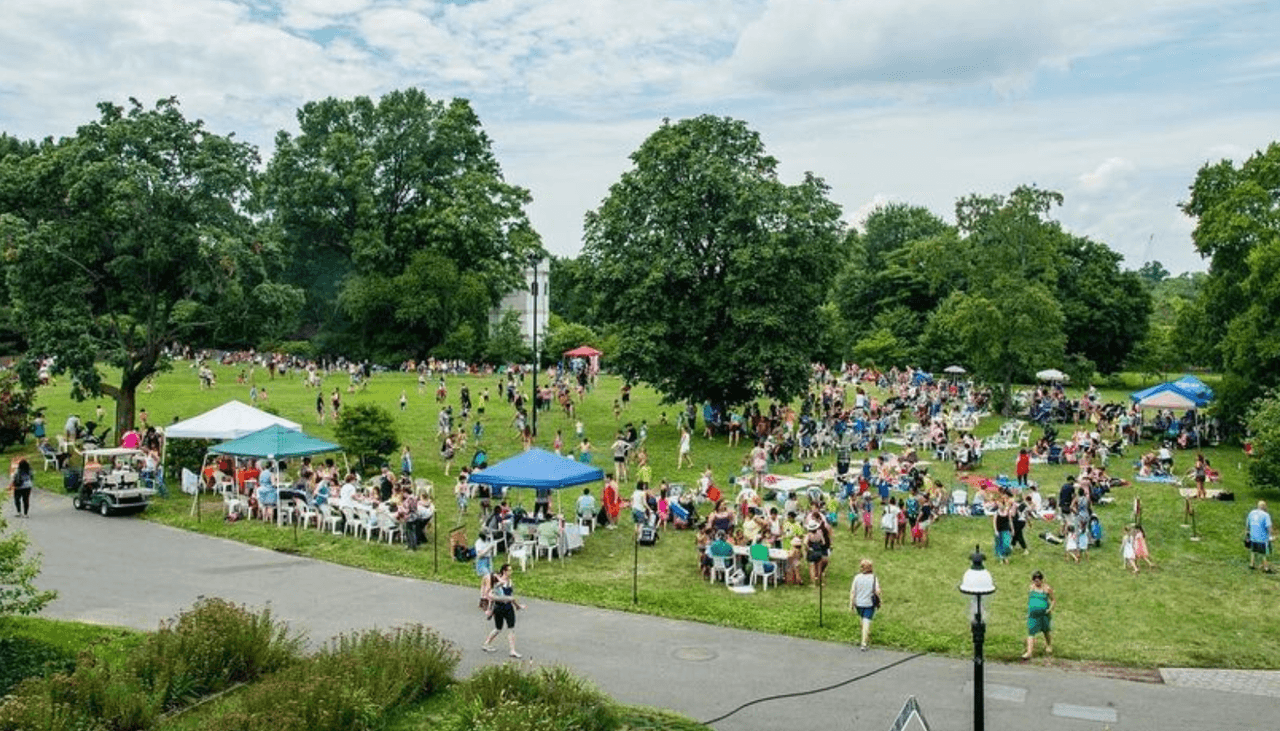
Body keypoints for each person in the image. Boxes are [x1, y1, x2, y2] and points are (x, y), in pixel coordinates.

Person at [481, 563, 526, 658]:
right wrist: (489, 609)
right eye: (509, 570)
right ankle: (486, 643)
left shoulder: (510, 582)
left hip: (508, 608)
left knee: (511, 628)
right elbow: (492, 596)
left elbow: (511, 596)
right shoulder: (498, 582)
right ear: (504, 571)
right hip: (499, 607)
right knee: (498, 628)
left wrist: (516, 605)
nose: (511, 572)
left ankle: (512, 650)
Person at [849, 558, 881, 651]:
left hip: (858, 603)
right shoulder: (873, 578)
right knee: (866, 621)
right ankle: (864, 642)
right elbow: (877, 590)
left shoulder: (857, 577)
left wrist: (851, 603)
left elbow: (853, 591)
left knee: (862, 620)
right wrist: (880, 600)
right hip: (869, 603)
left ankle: (865, 635)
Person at [1023, 570, 1055, 659]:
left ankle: (1048, 645)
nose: (1037, 582)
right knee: (1031, 632)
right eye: (1035, 580)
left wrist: (1050, 609)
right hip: (1033, 615)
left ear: (1041, 580)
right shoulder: (1031, 588)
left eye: (1038, 580)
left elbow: (1053, 600)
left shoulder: (1047, 589)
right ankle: (1029, 652)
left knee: (1046, 630)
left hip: (1044, 614)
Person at [1246, 500, 1274, 573]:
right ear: (1264, 507)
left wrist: (1248, 532)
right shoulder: (1266, 515)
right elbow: (1269, 527)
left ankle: (1251, 564)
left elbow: (1248, 524)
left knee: (1253, 551)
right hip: (1262, 538)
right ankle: (1266, 568)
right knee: (1263, 553)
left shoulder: (1251, 513)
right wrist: (1270, 536)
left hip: (1253, 536)